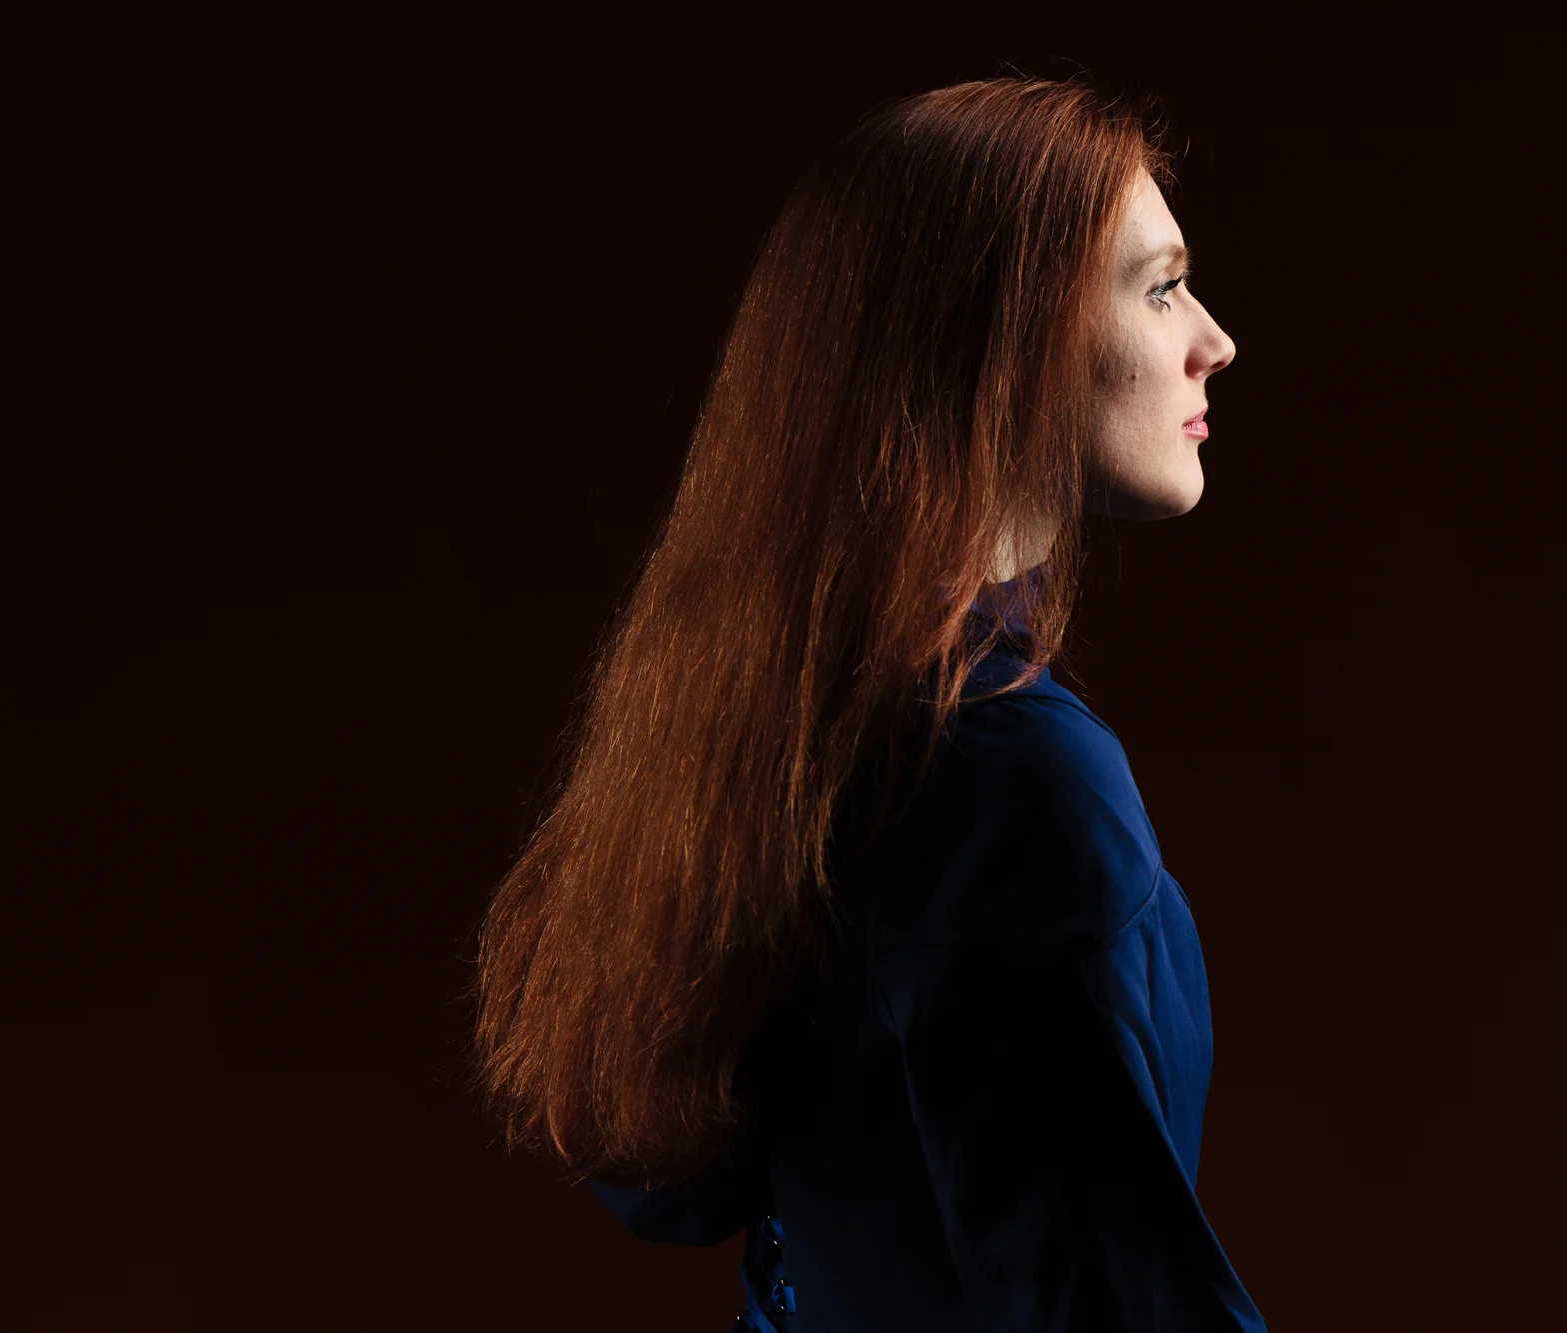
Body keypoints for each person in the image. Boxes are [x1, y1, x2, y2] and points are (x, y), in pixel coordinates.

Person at [471, 78, 1257, 1330]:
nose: (1211, 340)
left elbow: (673, 1181)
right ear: (1003, 335)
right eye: (1159, 288)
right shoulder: (1010, 779)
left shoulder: (802, 726)